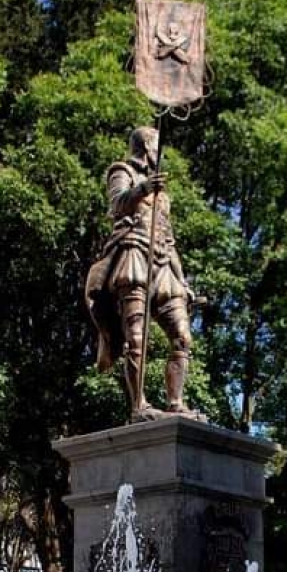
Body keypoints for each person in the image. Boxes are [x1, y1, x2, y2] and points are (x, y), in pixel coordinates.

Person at [85, 125, 199, 420]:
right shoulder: (123, 171)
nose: (160, 153)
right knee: (135, 338)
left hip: (164, 262)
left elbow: (170, 237)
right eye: (157, 146)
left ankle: (176, 404)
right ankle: (139, 406)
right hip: (134, 254)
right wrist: (143, 189)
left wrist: (183, 282)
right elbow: (116, 206)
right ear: (147, 146)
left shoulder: (164, 194)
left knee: (182, 337)